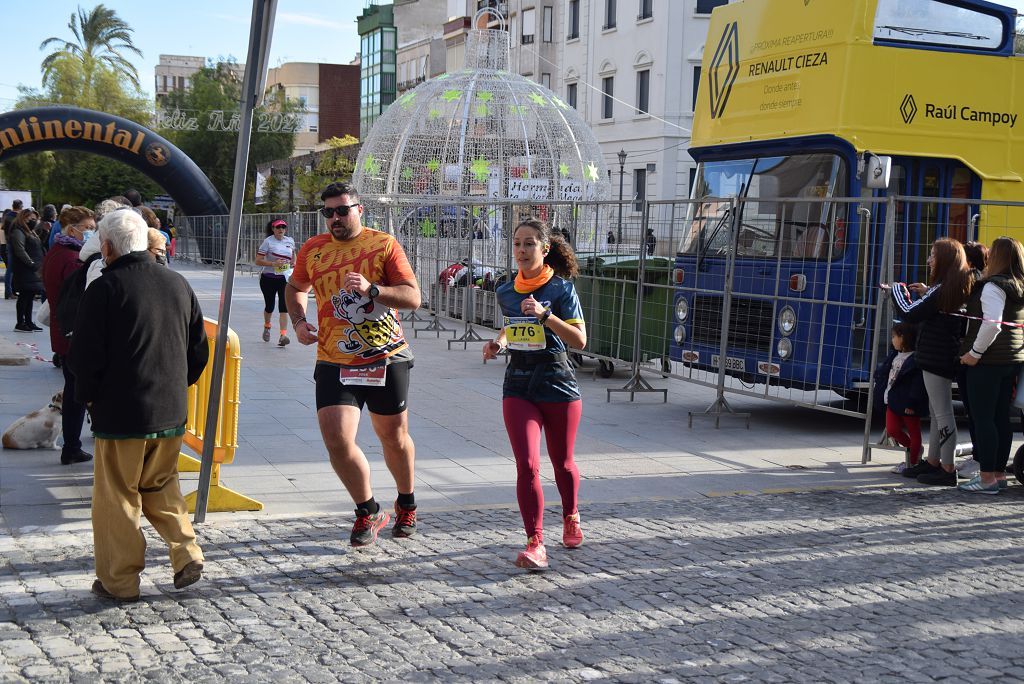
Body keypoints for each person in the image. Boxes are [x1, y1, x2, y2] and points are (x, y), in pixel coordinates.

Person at [68, 209, 209, 602]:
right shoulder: (177, 282)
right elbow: (199, 349)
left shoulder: (105, 288)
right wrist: (177, 387)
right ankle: (186, 553)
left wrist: (89, 398)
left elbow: (84, 356)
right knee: (162, 485)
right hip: (170, 410)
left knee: (118, 497)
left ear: (108, 247)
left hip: (122, 413)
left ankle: (119, 581)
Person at [285, 182, 422, 547]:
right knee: (337, 439)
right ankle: (368, 509)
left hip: (385, 356)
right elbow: (295, 287)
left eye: (342, 210)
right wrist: (299, 322)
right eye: (327, 212)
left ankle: (406, 500)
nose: (335, 218)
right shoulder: (313, 249)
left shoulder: (383, 245)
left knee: (392, 438)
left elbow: (412, 297)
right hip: (334, 358)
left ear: (360, 210)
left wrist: (373, 290)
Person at [482, 218, 587, 570]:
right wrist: (498, 342)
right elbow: (512, 326)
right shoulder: (505, 290)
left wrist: (546, 316)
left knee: (563, 463)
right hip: (518, 383)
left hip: (557, 381)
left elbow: (580, 340)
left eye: (529, 244)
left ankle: (571, 514)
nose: (522, 250)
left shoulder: (561, 290)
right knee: (527, 465)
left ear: (544, 249)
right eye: (517, 244)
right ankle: (535, 542)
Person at [887, 237, 973, 487]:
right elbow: (929, 306)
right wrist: (925, 292)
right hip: (940, 355)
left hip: (937, 357)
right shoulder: (951, 286)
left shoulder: (943, 289)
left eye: (933, 255)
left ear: (945, 260)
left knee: (943, 413)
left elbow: (910, 313)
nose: (929, 260)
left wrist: (896, 290)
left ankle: (947, 468)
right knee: (937, 413)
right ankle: (934, 461)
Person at [957, 237, 1024, 493]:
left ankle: (986, 478)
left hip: (987, 360)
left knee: (983, 418)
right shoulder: (1018, 285)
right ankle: (998, 475)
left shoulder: (993, 287)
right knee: (1000, 419)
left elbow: (992, 324)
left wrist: (974, 352)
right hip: (1011, 359)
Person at [41, 206, 96, 466]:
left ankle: (71, 445)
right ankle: (72, 446)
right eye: (87, 229)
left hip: (62, 334)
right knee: (77, 395)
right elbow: (80, 298)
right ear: (72, 229)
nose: (90, 233)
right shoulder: (71, 259)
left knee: (74, 391)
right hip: (72, 335)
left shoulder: (56, 251)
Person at [954, 240, 990, 480]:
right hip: (971, 351)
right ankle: (980, 457)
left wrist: (973, 353)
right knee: (975, 411)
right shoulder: (978, 281)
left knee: (977, 412)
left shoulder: (974, 282)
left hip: (973, 354)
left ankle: (981, 460)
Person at [872, 322, 928, 474]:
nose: (892, 340)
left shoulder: (915, 360)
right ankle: (914, 451)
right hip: (892, 400)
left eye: (894, 337)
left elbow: (917, 384)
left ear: (904, 338)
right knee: (892, 429)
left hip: (908, 403)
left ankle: (914, 461)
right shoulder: (894, 355)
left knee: (914, 431)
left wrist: (912, 402)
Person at [255, 219, 295, 347]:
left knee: (284, 307)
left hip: (284, 278)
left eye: (283, 227)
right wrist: (273, 264)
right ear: (273, 229)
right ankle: (267, 326)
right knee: (270, 306)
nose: (281, 229)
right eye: (278, 227)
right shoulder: (268, 242)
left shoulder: (290, 240)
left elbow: (294, 254)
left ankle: (283, 336)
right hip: (268, 278)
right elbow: (258, 260)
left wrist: (294, 263)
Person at [8, 207, 45, 332]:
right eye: (31, 218)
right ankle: (20, 322)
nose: (34, 221)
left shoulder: (30, 231)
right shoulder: (18, 231)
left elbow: (37, 246)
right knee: (24, 295)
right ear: (24, 218)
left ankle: (28, 321)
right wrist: (31, 263)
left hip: (33, 268)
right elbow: (20, 250)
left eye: (35, 219)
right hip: (25, 269)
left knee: (30, 295)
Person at [2, 199, 22, 298]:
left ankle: (10, 291)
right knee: (12, 269)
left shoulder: (7, 216)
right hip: (15, 244)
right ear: (20, 207)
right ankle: (10, 292)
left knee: (10, 269)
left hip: (9, 243)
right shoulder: (16, 218)